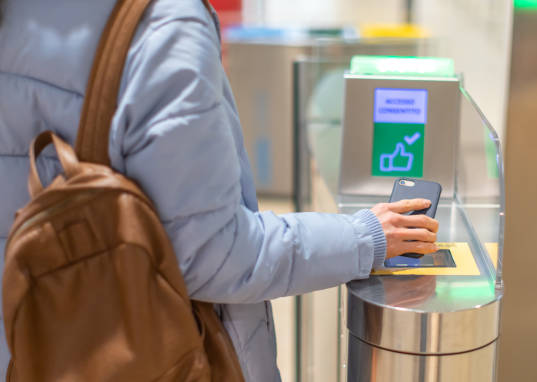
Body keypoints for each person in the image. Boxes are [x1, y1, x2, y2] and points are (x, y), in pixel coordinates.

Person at [0, 0, 438, 380]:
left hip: (31, 340)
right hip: (144, 354)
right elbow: (212, 254)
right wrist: (364, 237)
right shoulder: (162, 25)